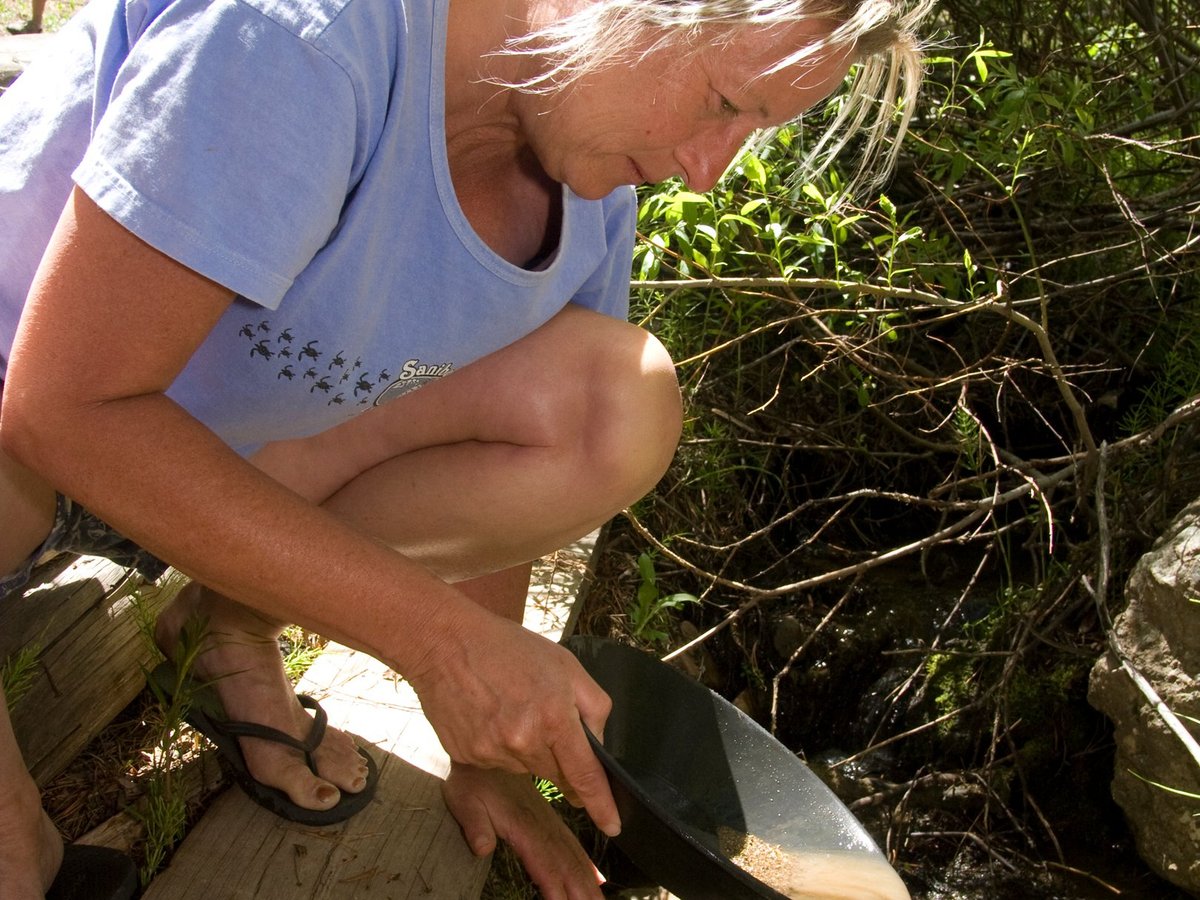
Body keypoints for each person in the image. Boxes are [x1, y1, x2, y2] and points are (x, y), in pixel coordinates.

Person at [0, 0, 930, 896]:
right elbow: (61, 407)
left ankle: (223, 630)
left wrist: (484, 752)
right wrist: (440, 646)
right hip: (37, 407)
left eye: (753, 130)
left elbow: (508, 443)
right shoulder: (301, 37)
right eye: (724, 103)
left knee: (615, 402)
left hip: (206, 438)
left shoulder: (584, 159)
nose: (703, 173)